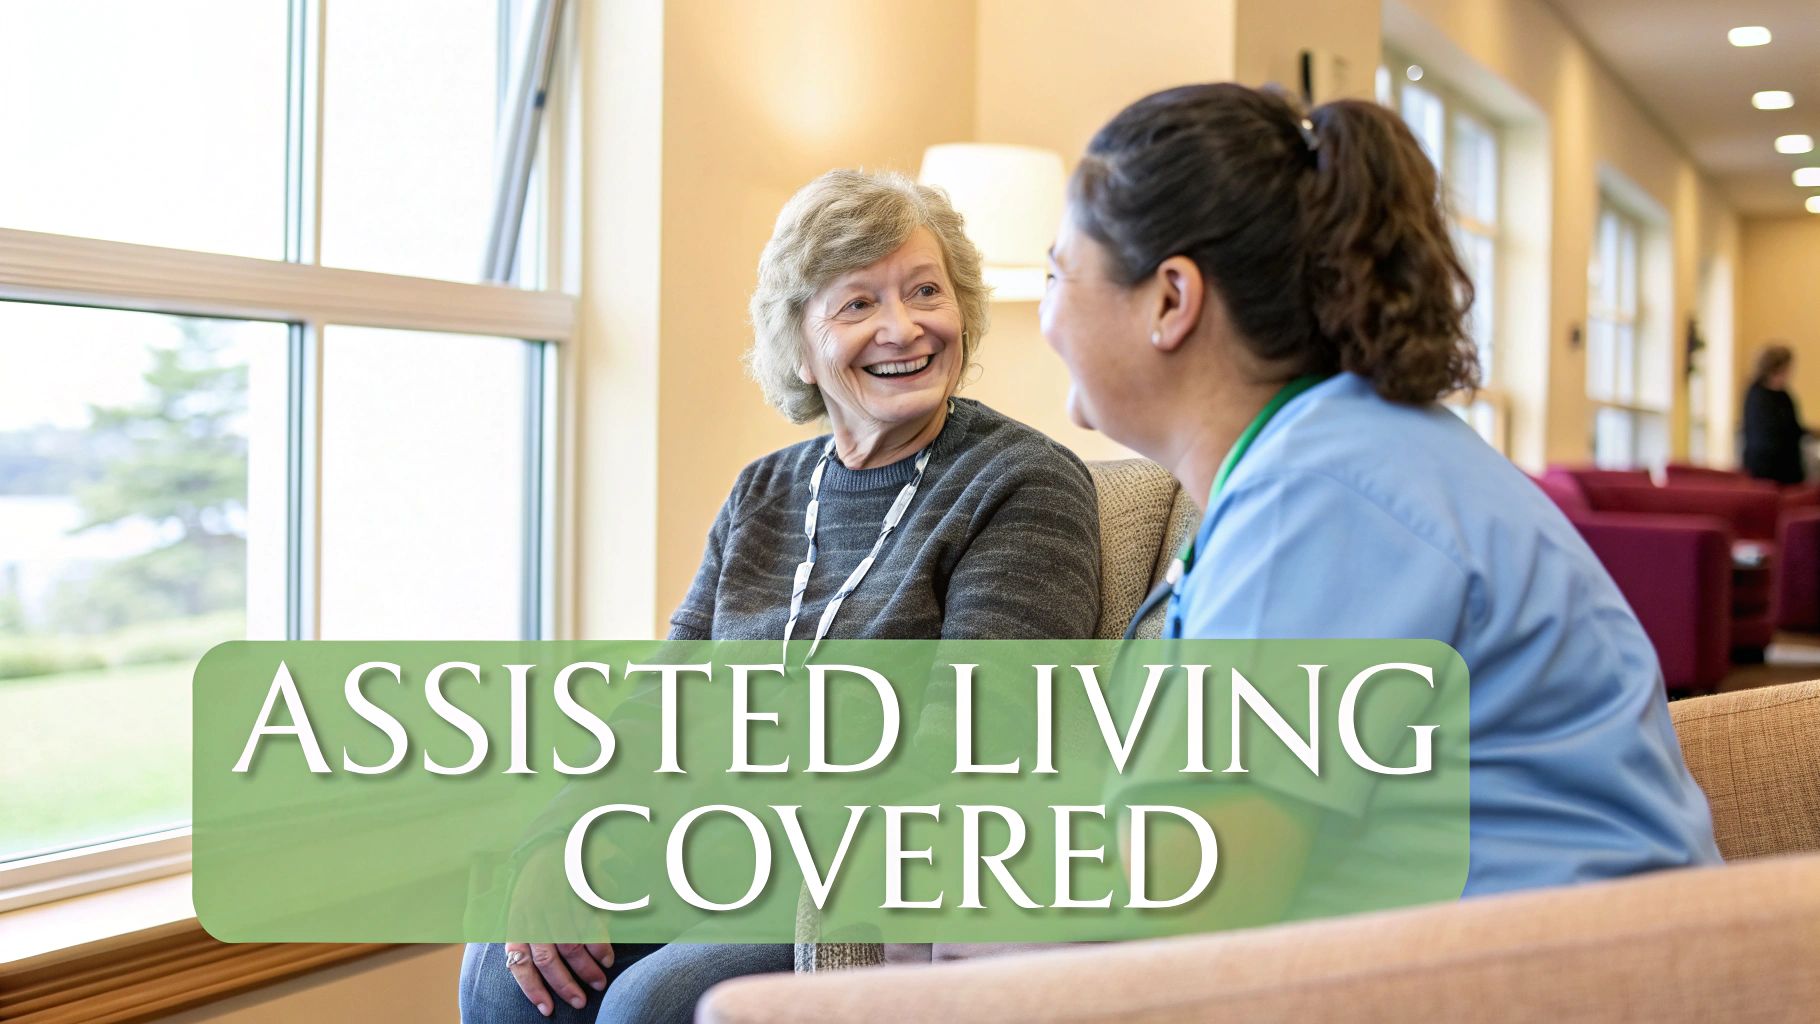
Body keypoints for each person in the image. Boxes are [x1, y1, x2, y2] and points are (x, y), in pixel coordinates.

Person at [1039, 83, 1719, 910]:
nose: (1046, 318)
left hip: (1552, 959)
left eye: (1057, 272)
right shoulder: (1348, 450)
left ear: (1171, 300)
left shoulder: (1318, 496)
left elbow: (1195, 887)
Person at [459, 168, 1102, 1023]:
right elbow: (661, 703)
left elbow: (983, 745)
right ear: (799, 346)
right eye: (858, 303)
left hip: (849, 884)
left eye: (925, 291)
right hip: (705, 855)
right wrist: (558, 842)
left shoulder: (1019, 482)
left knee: (655, 1002)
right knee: (505, 965)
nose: (903, 327)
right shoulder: (763, 492)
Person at [1742, 343, 1806, 484]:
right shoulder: (1757, 395)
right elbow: (1765, 434)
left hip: (1789, 464)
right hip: (1765, 466)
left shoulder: (1784, 394)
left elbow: (1793, 427)